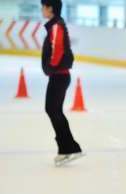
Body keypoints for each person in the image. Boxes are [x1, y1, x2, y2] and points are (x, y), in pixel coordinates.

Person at [41, 0, 83, 167]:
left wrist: (51, 67)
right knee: (54, 110)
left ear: (50, 8)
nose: (42, 10)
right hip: (59, 76)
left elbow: (57, 49)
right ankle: (68, 147)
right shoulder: (55, 25)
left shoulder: (56, 26)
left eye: (43, 7)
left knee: (52, 109)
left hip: (59, 75)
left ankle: (68, 148)